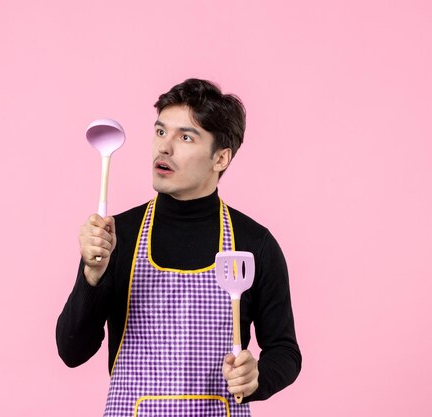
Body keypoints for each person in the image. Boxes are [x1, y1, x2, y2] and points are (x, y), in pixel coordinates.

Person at [56, 78, 301, 416]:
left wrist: (257, 378)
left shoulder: (253, 244)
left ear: (221, 158)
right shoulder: (117, 237)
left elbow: (284, 351)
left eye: (185, 137)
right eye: (160, 132)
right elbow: (72, 351)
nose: (164, 148)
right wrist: (92, 274)